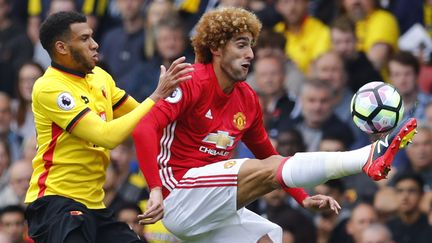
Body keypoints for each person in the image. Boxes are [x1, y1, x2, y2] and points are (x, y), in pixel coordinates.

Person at [132, 7, 418, 243]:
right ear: (217, 47)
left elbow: (270, 156)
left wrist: (302, 197)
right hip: (179, 194)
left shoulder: (247, 98)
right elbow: (144, 127)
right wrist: (155, 189)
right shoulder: (191, 80)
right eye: (241, 45)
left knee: (266, 240)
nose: (251, 55)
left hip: (212, 208)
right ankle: (367, 157)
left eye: (251, 47)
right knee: (261, 170)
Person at [23, 11, 193, 243]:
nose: (95, 44)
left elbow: (145, 117)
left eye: (92, 36)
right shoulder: (49, 87)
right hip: (56, 204)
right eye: (84, 39)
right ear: (62, 48)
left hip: (94, 205)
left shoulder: (100, 77)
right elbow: (106, 136)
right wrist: (156, 95)